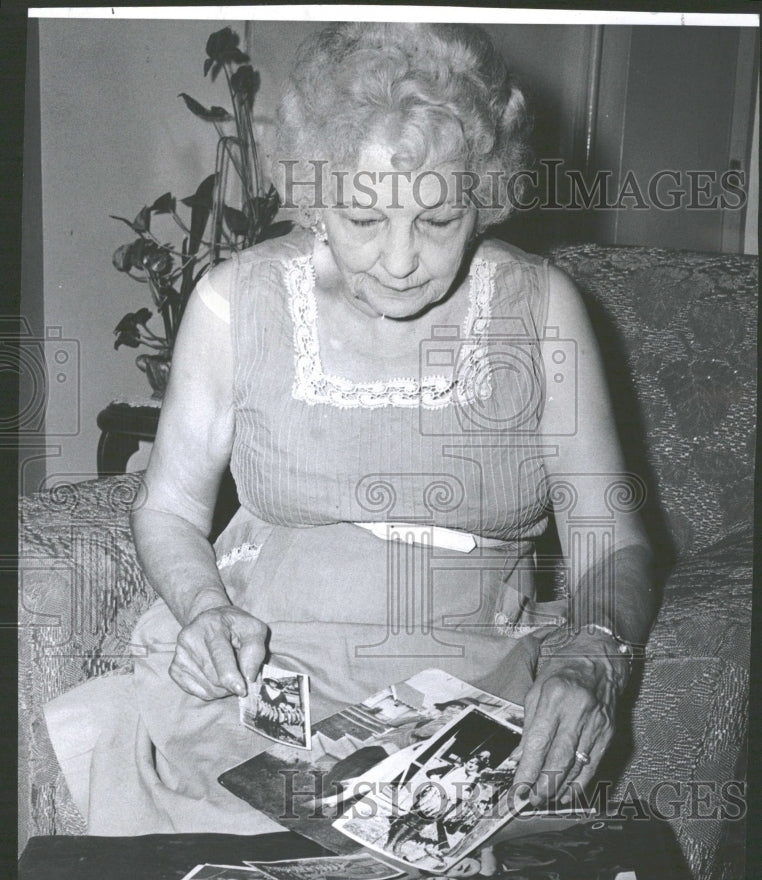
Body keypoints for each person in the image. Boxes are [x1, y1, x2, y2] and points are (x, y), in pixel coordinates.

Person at [45, 21, 656, 836]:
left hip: (468, 685)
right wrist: (203, 610)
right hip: (266, 673)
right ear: (314, 192)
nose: (401, 260)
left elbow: (610, 538)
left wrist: (594, 658)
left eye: (438, 222)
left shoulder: (542, 310)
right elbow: (168, 509)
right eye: (364, 218)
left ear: (484, 194)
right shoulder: (238, 301)